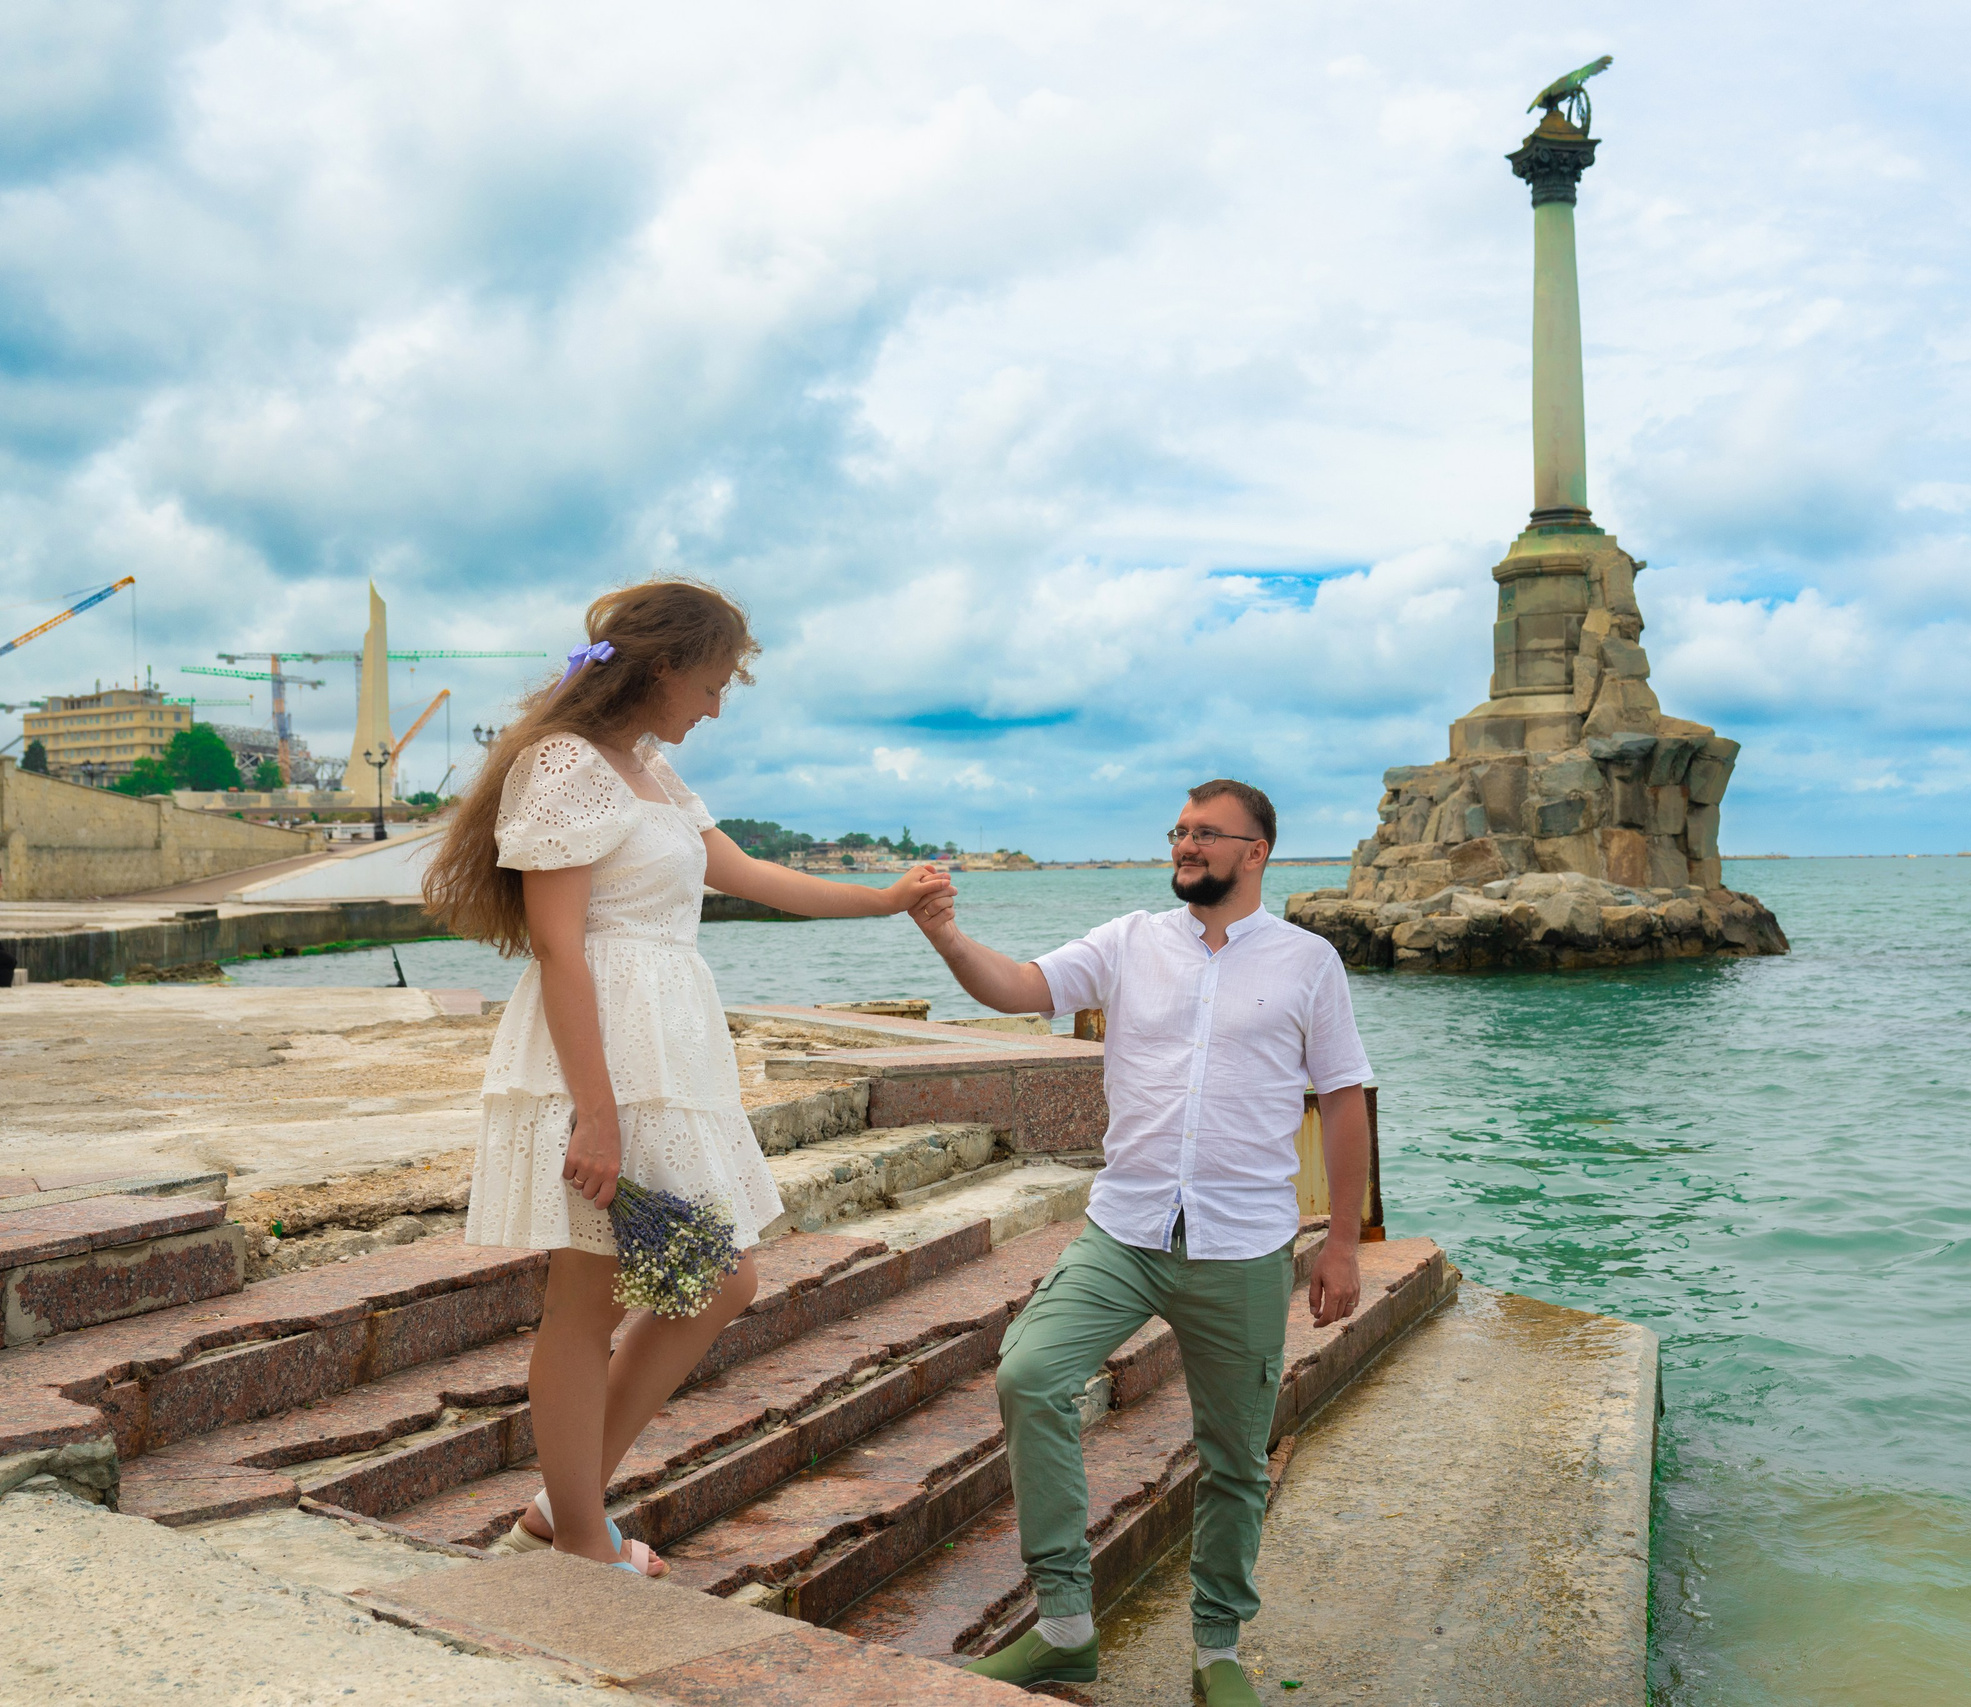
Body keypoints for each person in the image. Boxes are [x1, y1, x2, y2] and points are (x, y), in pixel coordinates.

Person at [422, 579, 949, 1575]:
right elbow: (559, 948)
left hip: (667, 1053)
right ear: (662, 667)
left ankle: (561, 1511)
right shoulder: (567, 765)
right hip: (605, 1057)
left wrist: (885, 902)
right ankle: (578, 1536)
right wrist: (597, 1115)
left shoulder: (649, 771)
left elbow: (749, 876)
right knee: (591, 1297)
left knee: (713, 1277)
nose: (714, 708)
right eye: (710, 685)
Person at [909, 778, 1372, 1706]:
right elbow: (1019, 988)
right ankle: (1065, 1626)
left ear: (1258, 852)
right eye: (1180, 831)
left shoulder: (1308, 961)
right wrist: (945, 934)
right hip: (1124, 1229)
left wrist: (1344, 1242)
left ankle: (1216, 1651)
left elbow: (1346, 1097)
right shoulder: (1127, 941)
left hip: (1242, 1243)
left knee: (1236, 1455)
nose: (1187, 845)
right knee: (1029, 1374)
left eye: (1207, 833)